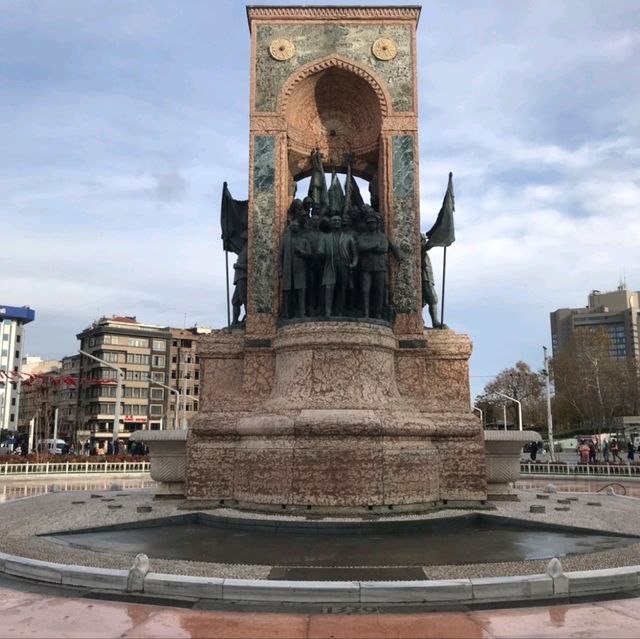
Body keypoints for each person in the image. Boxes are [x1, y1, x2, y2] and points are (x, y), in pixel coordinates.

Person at [318, 215, 358, 317]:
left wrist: (353, 264)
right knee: (328, 288)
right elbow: (321, 252)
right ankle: (328, 311)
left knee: (342, 288)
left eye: (339, 220)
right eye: (334, 220)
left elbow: (355, 253)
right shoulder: (325, 237)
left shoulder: (348, 237)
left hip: (343, 265)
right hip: (329, 263)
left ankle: (340, 310)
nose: (337, 222)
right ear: (330, 222)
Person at [357, 214, 389, 318]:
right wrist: (374, 246)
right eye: (369, 223)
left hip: (379, 267)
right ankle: (366, 313)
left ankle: (378, 313)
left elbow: (384, 248)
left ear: (377, 224)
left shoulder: (382, 236)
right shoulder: (363, 236)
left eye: (373, 223)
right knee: (365, 290)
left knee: (379, 291)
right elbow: (360, 247)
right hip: (366, 267)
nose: (371, 225)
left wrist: (369, 247)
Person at [280, 219, 311, 318]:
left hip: (300, 270)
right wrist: (279, 270)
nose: (294, 227)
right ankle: (287, 313)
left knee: (301, 291)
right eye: (293, 226)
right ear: (290, 227)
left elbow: (309, 253)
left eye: (296, 226)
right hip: (288, 269)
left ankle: (302, 313)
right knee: (287, 292)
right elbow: (280, 256)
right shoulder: (285, 240)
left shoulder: (304, 240)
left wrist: (301, 252)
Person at [421, 233, 444, 328]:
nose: (424, 242)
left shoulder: (424, 254)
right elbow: (427, 246)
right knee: (433, 299)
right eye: (423, 240)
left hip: (427, 278)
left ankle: (420, 322)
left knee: (423, 301)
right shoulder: (419, 249)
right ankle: (435, 322)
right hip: (424, 278)